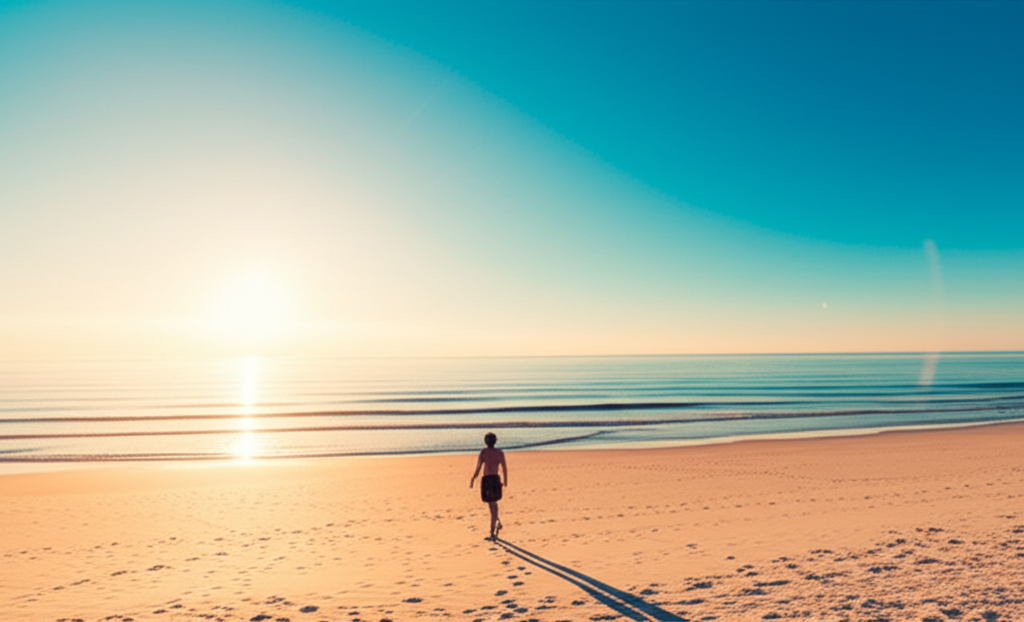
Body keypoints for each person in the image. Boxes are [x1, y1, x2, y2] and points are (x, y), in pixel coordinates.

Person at [470, 432, 508, 541]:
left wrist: (473, 478)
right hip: (494, 479)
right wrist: (505, 481)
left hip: (488, 480)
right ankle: (496, 522)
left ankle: (493, 532)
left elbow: (478, 468)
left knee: (492, 504)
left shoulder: (484, 452)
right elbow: (504, 468)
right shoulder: (498, 452)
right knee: (492, 504)